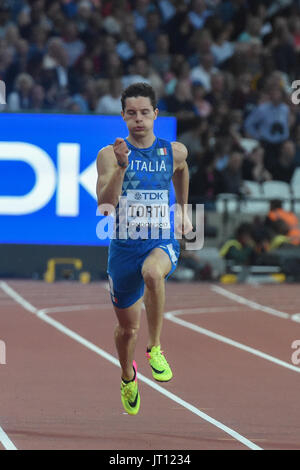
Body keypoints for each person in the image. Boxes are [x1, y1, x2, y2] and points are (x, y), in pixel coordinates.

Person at [96, 82, 192, 416]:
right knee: (127, 330)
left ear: (156, 115)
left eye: (145, 113)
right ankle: (127, 375)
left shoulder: (173, 151)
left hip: (159, 240)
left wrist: (182, 209)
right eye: (132, 113)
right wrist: (122, 167)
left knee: (154, 273)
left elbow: (182, 169)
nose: (139, 119)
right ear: (123, 116)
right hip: (123, 249)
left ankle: (155, 348)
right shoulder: (110, 155)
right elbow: (105, 206)